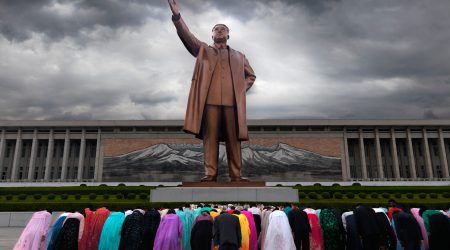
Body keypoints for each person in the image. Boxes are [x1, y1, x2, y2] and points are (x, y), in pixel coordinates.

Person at [168, 0, 256, 182]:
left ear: (228, 35)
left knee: (234, 139)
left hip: (232, 104)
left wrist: (240, 89)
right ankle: (210, 174)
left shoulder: (240, 56)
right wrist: (177, 17)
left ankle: (236, 175)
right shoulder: (203, 50)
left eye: (223, 29)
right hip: (209, 103)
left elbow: (251, 76)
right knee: (211, 139)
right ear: (212, 35)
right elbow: (187, 35)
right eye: (216, 29)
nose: (219, 30)